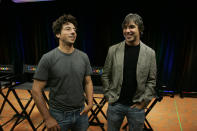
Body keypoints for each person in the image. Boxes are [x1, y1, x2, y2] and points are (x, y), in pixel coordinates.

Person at [32, 14, 93, 131]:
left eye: (74, 29)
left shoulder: (84, 57)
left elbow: (88, 82)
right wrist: (47, 118)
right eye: (68, 29)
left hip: (81, 113)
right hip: (58, 115)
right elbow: (36, 90)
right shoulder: (47, 58)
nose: (73, 32)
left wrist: (90, 104)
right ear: (58, 34)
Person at [101, 13, 157, 131]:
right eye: (125, 27)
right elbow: (105, 74)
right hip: (115, 104)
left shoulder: (150, 53)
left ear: (140, 29)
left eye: (131, 27)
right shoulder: (113, 50)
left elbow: (151, 80)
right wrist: (108, 95)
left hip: (137, 106)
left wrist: (144, 102)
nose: (127, 30)